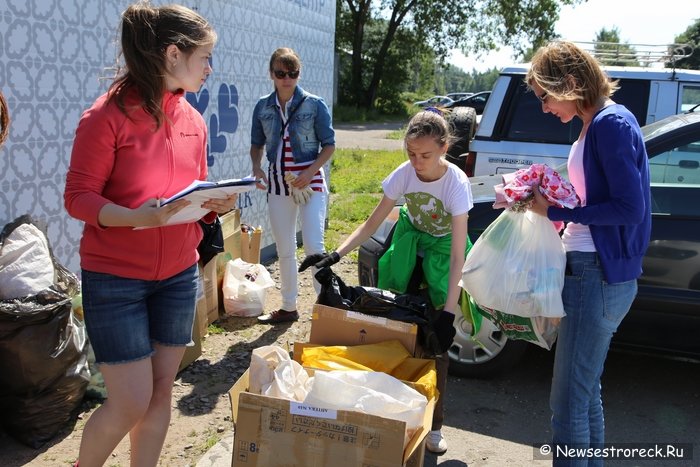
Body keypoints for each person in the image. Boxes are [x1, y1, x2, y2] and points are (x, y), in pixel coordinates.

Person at [63, 3, 232, 466]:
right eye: (204, 57)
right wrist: (140, 217)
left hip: (177, 275)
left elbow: (194, 194)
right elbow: (78, 198)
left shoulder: (193, 122)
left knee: (159, 397)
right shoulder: (105, 116)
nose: (209, 67)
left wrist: (218, 204)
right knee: (130, 402)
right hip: (115, 279)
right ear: (174, 55)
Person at [299, 109, 473, 454]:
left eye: (425, 155)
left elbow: (458, 255)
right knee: (396, 329)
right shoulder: (404, 174)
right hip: (409, 245)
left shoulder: (456, 183)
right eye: (411, 154)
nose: (417, 162)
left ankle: (435, 424)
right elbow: (371, 222)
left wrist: (450, 313)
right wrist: (335, 254)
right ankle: (396, 415)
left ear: (444, 147)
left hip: (442, 255)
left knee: (436, 341)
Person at [526, 41, 651, 466]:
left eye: (544, 96)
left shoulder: (609, 124)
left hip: (594, 276)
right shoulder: (596, 123)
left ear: (571, 82)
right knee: (585, 393)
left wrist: (558, 209)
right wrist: (552, 201)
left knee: (568, 407)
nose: (542, 108)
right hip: (593, 272)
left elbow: (629, 209)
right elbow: (600, 198)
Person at [250, 47, 335, 324]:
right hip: (278, 183)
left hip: (310, 183)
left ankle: (326, 306)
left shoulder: (314, 104)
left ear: (299, 74)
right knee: (284, 247)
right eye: (281, 73)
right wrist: (256, 167)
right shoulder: (263, 106)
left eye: (293, 73)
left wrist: (310, 172)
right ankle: (288, 307)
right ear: (271, 74)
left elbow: (329, 145)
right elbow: (257, 143)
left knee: (313, 244)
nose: (287, 79)